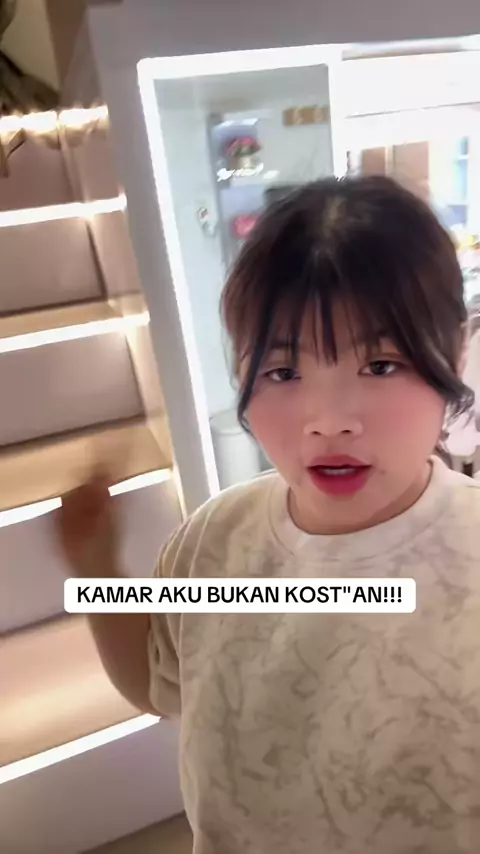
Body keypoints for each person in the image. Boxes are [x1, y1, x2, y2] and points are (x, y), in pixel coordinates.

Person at [57, 176, 480, 854]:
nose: (329, 422)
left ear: (454, 353)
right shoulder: (215, 539)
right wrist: (94, 564)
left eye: (380, 364)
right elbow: (160, 684)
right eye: (283, 373)